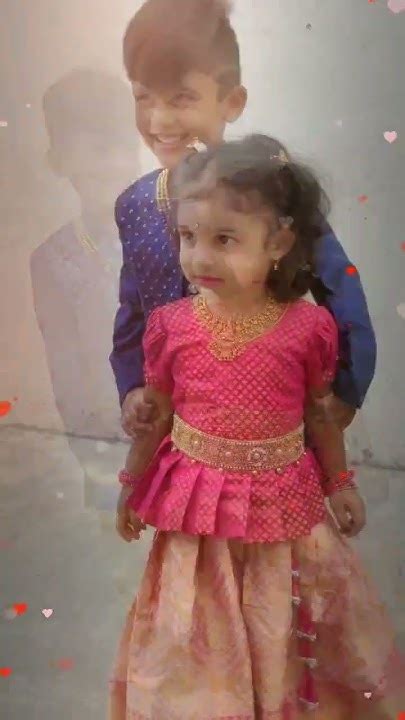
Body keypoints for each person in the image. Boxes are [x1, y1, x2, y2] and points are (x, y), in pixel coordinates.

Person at [110, 136, 402, 720]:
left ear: (278, 244)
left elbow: (319, 415)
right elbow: (159, 412)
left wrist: (340, 482)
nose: (200, 258)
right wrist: (131, 484)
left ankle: (275, 699)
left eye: (224, 239)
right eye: (187, 237)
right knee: (198, 627)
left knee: (281, 620)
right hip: (197, 518)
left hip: (284, 513)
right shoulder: (170, 326)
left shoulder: (308, 329)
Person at [109, 0, 377, 442]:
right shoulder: (135, 205)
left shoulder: (270, 190)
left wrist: (347, 386)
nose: (159, 120)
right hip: (179, 429)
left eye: (182, 98)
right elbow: (133, 311)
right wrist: (132, 387)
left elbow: (339, 282)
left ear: (231, 101)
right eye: (143, 97)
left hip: (270, 419)